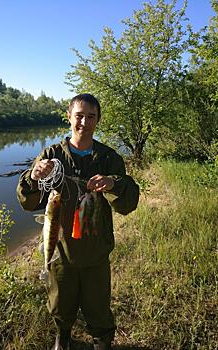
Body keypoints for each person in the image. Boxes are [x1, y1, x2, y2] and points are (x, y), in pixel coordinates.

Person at [16, 93, 139, 350]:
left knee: (98, 308)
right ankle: (63, 337)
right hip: (60, 250)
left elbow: (127, 203)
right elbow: (28, 202)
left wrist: (113, 184)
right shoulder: (52, 154)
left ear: (98, 121)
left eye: (90, 117)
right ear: (69, 117)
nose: (84, 122)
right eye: (79, 116)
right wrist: (33, 176)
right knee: (61, 303)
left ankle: (102, 341)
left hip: (95, 250)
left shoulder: (109, 158)